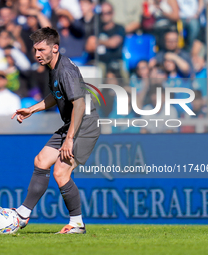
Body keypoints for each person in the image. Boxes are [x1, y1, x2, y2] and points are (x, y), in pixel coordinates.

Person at [10, 27, 100, 234]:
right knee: (41, 161)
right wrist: (32, 109)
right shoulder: (54, 68)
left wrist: (69, 140)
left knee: (61, 172)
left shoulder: (65, 70)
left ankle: (77, 223)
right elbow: (56, 95)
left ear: (55, 48)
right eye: (35, 50)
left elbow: (79, 104)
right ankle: (23, 214)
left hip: (84, 127)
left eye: (41, 49)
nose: (37, 54)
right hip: (72, 125)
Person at [85, 2, 126, 76]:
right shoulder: (96, 29)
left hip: (114, 62)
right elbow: (88, 47)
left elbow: (114, 43)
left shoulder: (119, 28)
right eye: (102, 13)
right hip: (97, 62)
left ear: (113, 13)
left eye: (108, 13)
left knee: (110, 74)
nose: (105, 15)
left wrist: (97, 41)